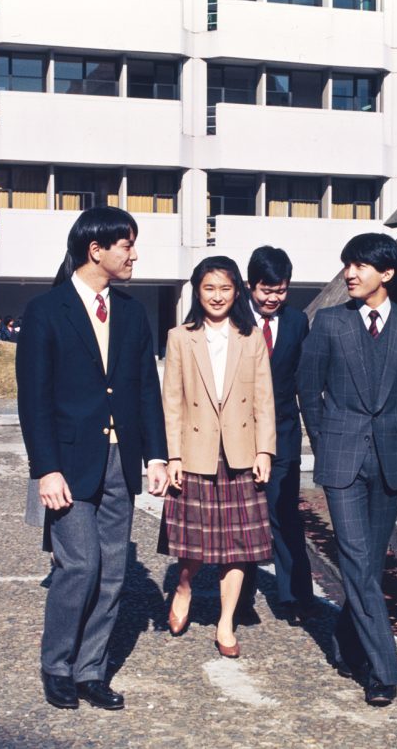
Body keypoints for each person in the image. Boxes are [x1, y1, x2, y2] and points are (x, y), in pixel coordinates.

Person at [16, 206, 169, 711]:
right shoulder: (46, 311)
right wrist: (45, 468)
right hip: (69, 463)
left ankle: (90, 670)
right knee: (79, 565)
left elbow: (146, 388)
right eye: (126, 245)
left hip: (121, 462)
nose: (134, 254)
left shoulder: (130, 312)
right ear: (95, 250)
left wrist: (157, 456)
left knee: (113, 570)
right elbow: (33, 397)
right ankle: (56, 665)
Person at [297, 233, 397, 707]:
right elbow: (308, 391)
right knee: (355, 559)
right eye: (346, 265)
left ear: (386, 274)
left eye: (359, 266)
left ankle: (345, 641)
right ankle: (383, 670)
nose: (349, 274)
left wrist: (390, 431)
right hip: (342, 461)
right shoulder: (330, 323)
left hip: (390, 460)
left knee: (369, 565)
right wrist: (328, 440)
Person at [159, 256, 275, 658]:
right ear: (197, 290)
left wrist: (264, 450)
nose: (217, 296)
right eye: (209, 288)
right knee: (194, 542)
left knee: (239, 545)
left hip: (242, 454)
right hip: (195, 453)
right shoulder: (180, 337)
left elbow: (264, 398)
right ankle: (184, 586)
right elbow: (171, 401)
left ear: (237, 291)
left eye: (225, 288)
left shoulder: (251, 336)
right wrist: (172, 455)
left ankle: (226, 623)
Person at [237, 246, 315, 626]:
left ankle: (295, 596)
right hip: (238, 434)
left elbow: (304, 379)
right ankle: (241, 598)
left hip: (283, 432)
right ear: (251, 285)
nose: (272, 299)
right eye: (266, 290)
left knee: (285, 514)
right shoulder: (232, 318)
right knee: (243, 517)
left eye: (281, 291)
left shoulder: (298, 322)